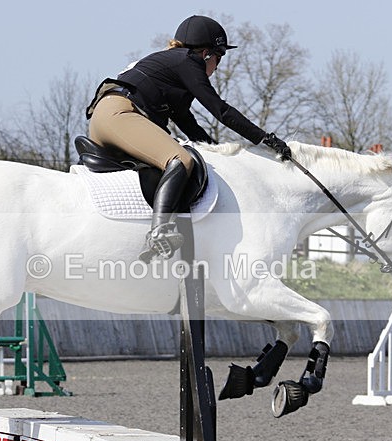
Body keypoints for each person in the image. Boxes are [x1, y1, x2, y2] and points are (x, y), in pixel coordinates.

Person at [86, 14, 292, 263]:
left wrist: (219, 154)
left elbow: (188, 124)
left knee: (185, 156)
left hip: (112, 116)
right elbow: (220, 110)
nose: (218, 66)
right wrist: (265, 139)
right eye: (220, 57)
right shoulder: (187, 62)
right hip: (120, 114)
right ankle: (159, 231)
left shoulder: (172, 68)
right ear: (206, 53)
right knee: (180, 159)